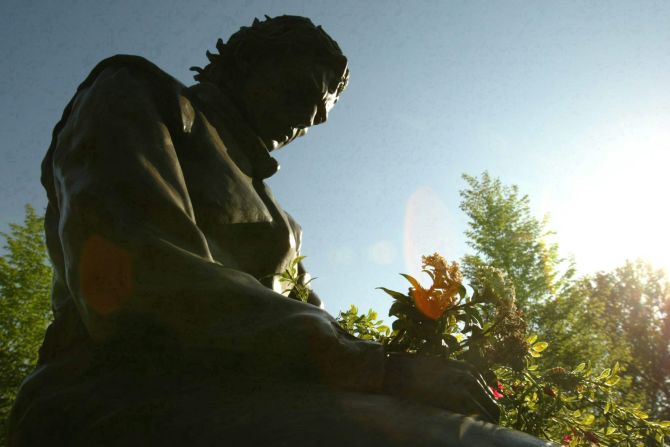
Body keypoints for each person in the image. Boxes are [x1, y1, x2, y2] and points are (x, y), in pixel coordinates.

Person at [9, 16, 553, 446]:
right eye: (298, 91)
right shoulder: (139, 91)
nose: (308, 117)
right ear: (245, 61)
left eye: (320, 113)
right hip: (115, 393)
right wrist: (383, 370)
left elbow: (313, 328)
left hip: (245, 399)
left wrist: (418, 368)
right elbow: (138, 278)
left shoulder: (284, 223)